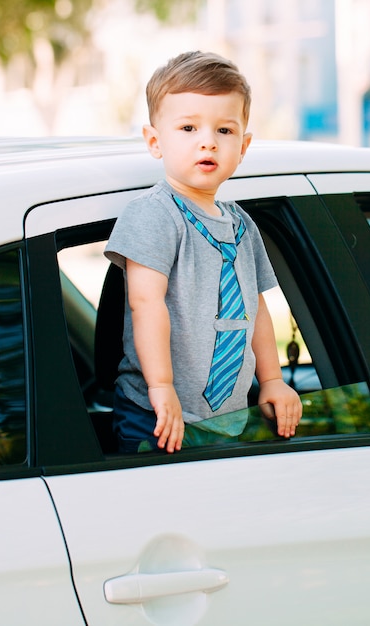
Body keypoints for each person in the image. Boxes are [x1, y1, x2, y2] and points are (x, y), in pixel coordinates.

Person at [105, 51, 302, 454]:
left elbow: (255, 308)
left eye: (224, 131)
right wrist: (161, 386)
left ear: (244, 146)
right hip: (157, 414)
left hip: (228, 419)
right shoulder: (154, 215)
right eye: (189, 127)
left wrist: (272, 379)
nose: (208, 141)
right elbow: (146, 304)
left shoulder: (243, 225)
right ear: (155, 142)